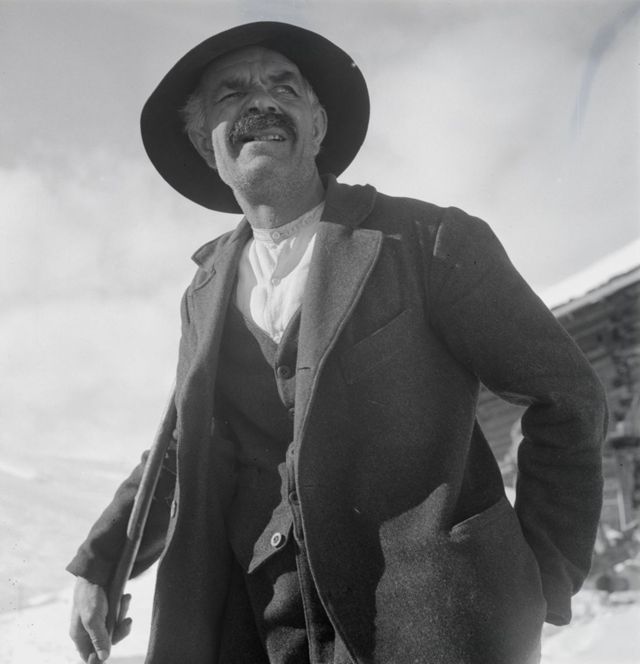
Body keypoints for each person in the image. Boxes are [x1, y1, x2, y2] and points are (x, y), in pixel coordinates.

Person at [67, 21, 607, 664]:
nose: (261, 102)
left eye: (284, 88)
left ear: (318, 125)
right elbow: (183, 443)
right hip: (260, 630)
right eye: (231, 93)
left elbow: (566, 396)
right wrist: (102, 562)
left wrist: (541, 577)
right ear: (204, 142)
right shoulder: (203, 292)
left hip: (434, 628)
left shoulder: (428, 240)